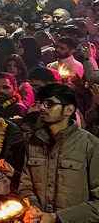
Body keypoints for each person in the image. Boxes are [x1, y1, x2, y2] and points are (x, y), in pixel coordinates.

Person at [19, 83, 99, 223]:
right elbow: (26, 186)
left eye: (50, 104)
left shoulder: (90, 146)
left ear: (68, 110)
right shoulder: (34, 142)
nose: (42, 108)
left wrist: (57, 218)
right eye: (42, 103)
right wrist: (33, 208)